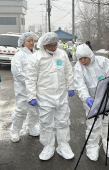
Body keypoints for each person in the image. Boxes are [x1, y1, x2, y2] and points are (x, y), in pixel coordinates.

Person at [25, 32, 75, 161]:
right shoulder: (36, 57)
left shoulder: (62, 54)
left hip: (61, 95)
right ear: (43, 45)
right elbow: (30, 78)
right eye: (50, 46)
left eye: (55, 45)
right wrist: (31, 96)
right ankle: (48, 146)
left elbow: (68, 71)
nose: (53, 48)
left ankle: (63, 145)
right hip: (44, 96)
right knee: (46, 123)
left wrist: (70, 87)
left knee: (63, 122)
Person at [74, 44, 109, 161]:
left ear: (90, 56)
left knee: (107, 123)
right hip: (91, 100)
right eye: (80, 59)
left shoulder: (103, 62)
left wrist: (108, 91)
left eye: (85, 58)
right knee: (93, 125)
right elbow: (80, 85)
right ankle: (92, 146)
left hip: (107, 98)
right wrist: (86, 97)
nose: (83, 61)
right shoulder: (78, 67)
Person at [11, 32, 39, 143]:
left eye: (32, 40)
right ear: (23, 43)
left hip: (36, 87)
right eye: (29, 41)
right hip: (22, 88)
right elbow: (17, 73)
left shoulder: (37, 54)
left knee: (34, 109)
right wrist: (31, 82)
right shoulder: (19, 55)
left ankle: (31, 127)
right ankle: (15, 131)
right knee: (21, 109)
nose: (32, 43)